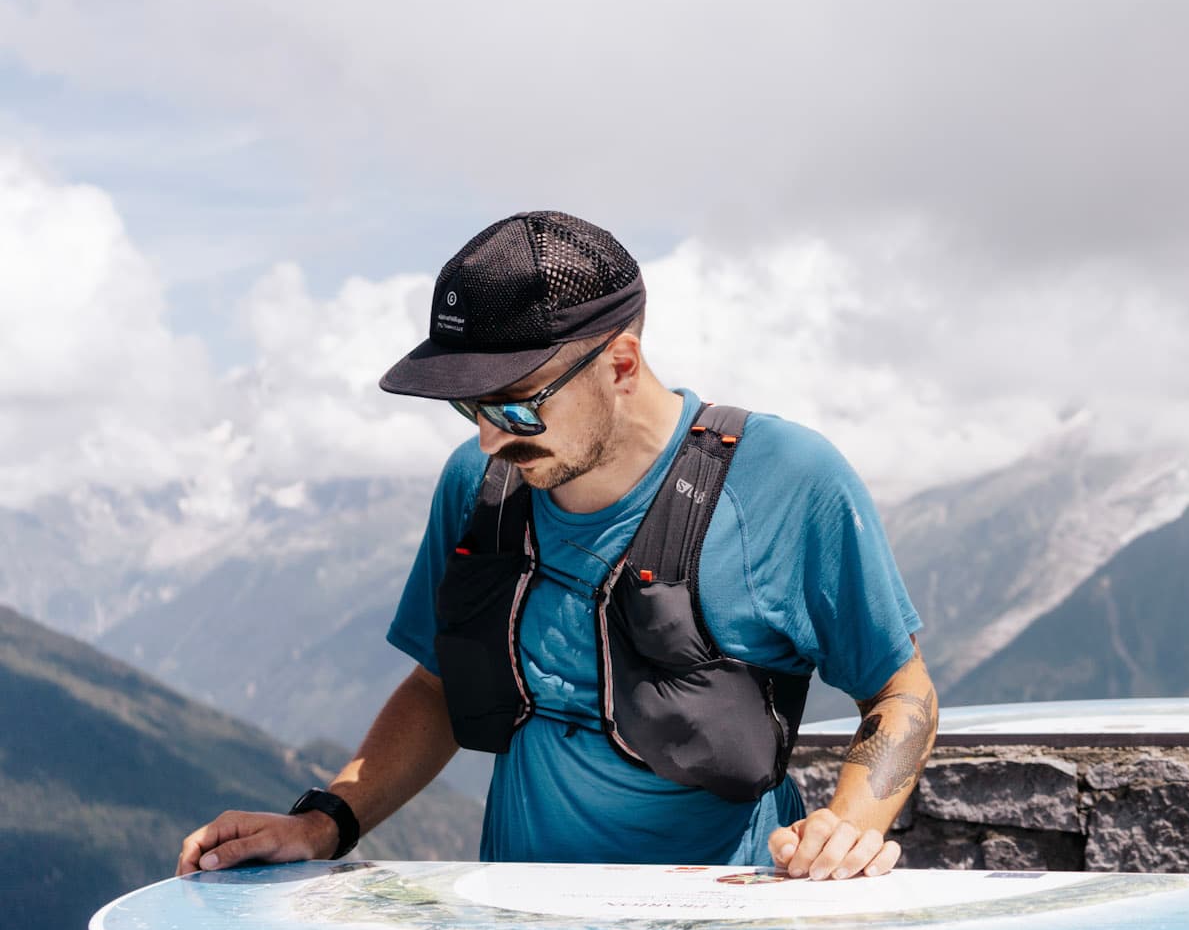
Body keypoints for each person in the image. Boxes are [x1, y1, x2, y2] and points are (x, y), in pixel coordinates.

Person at [178, 211, 937, 881]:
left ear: (621, 365)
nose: (488, 435)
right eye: (467, 404)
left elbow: (903, 692)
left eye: (516, 402)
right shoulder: (482, 485)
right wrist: (323, 822)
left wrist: (850, 825)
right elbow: (439, 687)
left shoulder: (788, 482)